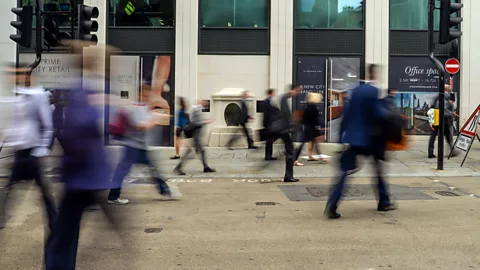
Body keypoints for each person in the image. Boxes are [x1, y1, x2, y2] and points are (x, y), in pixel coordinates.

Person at [325, 64, 396, 219]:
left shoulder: (355, 91)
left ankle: (332, 204)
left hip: (352, 139)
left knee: (344, 172)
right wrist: (391, 115)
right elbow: (378, 114)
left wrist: (340, 139)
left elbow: (347, 116)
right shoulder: (374, 91)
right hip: (370, 140)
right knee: (378, 171)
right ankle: (383, 202)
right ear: (375, 75)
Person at [0, 63, 56, 231]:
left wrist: (42, 149)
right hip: (18, 152)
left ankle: (54, 221)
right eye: (13, 74)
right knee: (10, 189)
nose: (15, 78)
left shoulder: (37, 96)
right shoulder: (13, 97)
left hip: (32, 153)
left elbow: (48, 125)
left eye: (18, 74)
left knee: (43, 191)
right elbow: (13, 125)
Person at [107, 84, 172, 204]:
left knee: (151, 169)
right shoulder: (133, 108)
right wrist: (154, 120)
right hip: (132, 147)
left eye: (148, 96)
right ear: (140, 95)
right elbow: (139, 126)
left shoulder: (143, 107)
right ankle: (113, 196)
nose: (148, 98)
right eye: (146, 95)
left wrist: (157, 116)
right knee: (122, 172)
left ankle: (165, 191)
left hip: (140, 147)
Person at [174, 100, 216, 175]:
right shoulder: (196, 110)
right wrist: (205, 122)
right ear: (200, 103)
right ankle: (178, 167)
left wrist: (205, 121)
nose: (206, 104)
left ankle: (205, 167)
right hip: (196, 136)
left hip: (196, 136)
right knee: (191, 152)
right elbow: (194, 123)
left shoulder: (198, 109)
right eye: (204, 102)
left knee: (199, 151)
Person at [273, 84, 302, 182]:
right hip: (284, 129)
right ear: (293, 90)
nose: (299, 93)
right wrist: (291, 125)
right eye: (298, 90)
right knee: (290, 152)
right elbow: (285, 113)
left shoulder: (286, 97)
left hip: (283, 129)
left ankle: (288, 175)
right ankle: (288, 176)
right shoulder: (285, 98)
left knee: (290, 151)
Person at [294, 92, 327, 166]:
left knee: (314, 143)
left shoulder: (306, 106)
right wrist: (322, 126)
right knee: (306, 144)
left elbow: (304, 118)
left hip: (307, 127)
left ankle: (316, 157)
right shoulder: (313, 107)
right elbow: (316, 119)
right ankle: (294, 159)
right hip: (311, 128)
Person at [428, 84, 458, 158]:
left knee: (433, 135)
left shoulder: (437, 97)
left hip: (436, 118)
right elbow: (450, 109)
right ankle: (452, 151)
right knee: (448, 136)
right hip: (446, 120)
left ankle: (430, 152)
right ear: (448, 90)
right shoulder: (448, 97)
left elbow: (431, 107)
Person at [263, 89, 278, 160]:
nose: (274, 94)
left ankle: (269, 155)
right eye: (273, 93)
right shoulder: (267, 102)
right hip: (268, 124)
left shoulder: (269, 101)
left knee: (270, 140)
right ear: (271, 93)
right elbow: (267, 114)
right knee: (269, 140)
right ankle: (268, 155)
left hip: (269, 124)